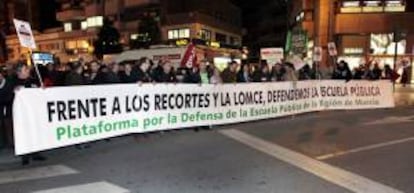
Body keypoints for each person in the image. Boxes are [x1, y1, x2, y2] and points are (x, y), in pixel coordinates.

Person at [12, 63, 47, 165]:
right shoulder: (13, 82)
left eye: (27, 69)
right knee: (23, 133)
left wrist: (42, 89)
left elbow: (38, 95)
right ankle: (25, 155)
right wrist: (14, 91)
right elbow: (8, 96)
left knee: (35, 131)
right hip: (21, 115)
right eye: (25, 69)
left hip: (33, 112)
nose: (28, 70)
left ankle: (36, 153)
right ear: (19, 72)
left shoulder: (33, 80)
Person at [0, 67, 14, 148]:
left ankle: (11, 143)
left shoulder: (9, 83)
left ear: (1, 75)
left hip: (8, 110)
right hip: (1, 110)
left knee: (9, 126)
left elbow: (10, 97)